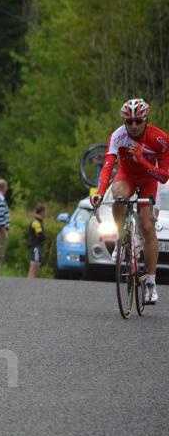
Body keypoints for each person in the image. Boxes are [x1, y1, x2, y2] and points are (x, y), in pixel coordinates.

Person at [91, 98, 169, 304]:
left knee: (148, 226)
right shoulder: (118, 136)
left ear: (146, 119)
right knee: (117, 194)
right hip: (126, 176)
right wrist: (99, 192)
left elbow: (163, 177)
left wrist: (142, 160)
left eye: (138, 121)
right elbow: (108, 166)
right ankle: (122, 237)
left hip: (150, 181)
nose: (133, 126)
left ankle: (151, 284)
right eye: (129, 122)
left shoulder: (159, 139)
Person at [27, 205, 47, 278]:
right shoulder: (36, 222)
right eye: (45, 212)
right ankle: (30, 284)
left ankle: (31, 282)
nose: (46, 213)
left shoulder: (38, 222)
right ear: (42, 212)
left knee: (36, 266)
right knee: (34, 267)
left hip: (37, 246)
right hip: (35, 246)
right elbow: (40, 235)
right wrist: (44, 236)